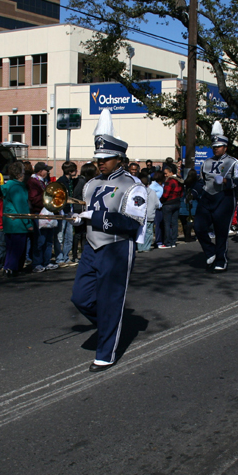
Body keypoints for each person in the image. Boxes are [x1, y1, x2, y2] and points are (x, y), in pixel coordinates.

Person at [70, 109, 147, 371]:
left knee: (110, 299)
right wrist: (81, 220)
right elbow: (89, 213)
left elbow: (131, 222)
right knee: (80, 298)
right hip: (92, 247)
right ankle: (109, 324)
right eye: (98, 158)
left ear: (120, 159)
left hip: (116, 247)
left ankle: (106, 352)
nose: (101, 163)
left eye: (107, 159)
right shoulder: (91, 184)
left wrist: (97, 217)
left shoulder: (133, 185)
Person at [191, 122, 238, 271]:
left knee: (221, 231)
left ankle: (221, 260)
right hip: (207, 197)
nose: (216, 148)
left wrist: (227, 181)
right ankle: (210, 251)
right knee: (198, 226)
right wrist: (193, 192)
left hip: (225, 198)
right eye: (214, 146)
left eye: (219, 146)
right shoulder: (206, 162)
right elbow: (201, 181)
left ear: (225, 147)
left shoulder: (234, 163)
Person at [1, 162, 32, 276]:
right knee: (17, 248)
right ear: (19, 174)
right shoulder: (17, 188)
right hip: (18, 223)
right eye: (23, 172)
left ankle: (8, 267)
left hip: (10, 222)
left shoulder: (9, 185)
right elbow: (22, 207)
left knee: (10, 248)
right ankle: (12, 268)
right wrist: (28, 223)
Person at [71, 162, 97, 263]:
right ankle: (75, 255)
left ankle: (82, 253)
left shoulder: (83, 181)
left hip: (81, 208)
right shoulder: (82, 182)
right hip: (79, 209)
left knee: (82, 233)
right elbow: (77, 195)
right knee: (78, 234)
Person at [55, 161, 78, 266]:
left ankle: (66, 257)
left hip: (70, 210)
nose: (76, 172)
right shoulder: (61, 182)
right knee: (60, 235)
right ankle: (59, 258)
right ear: (70, 171)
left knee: (69, 235)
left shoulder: (71, 181)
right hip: (63, 210)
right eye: (74, 170)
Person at [159, 163, 183, 249]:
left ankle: (167, 242)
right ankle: (173, 241)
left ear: (170, 172)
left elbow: (165, 195)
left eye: (166, 173)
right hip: (177, 202)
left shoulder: (169, 181)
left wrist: (161, 200)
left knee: (167, 224)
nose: (165, 175)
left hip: (168, 204)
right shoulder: (179, 180)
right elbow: (181, 193)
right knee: (174, 223)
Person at [137, 173, 159, 252]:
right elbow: (157, 204)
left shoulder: (138, 192)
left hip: (140, 216)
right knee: (149, 233)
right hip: (150, 215)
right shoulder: (152, 192)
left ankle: (140, 247)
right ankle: (146, 247)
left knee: (140, 232)